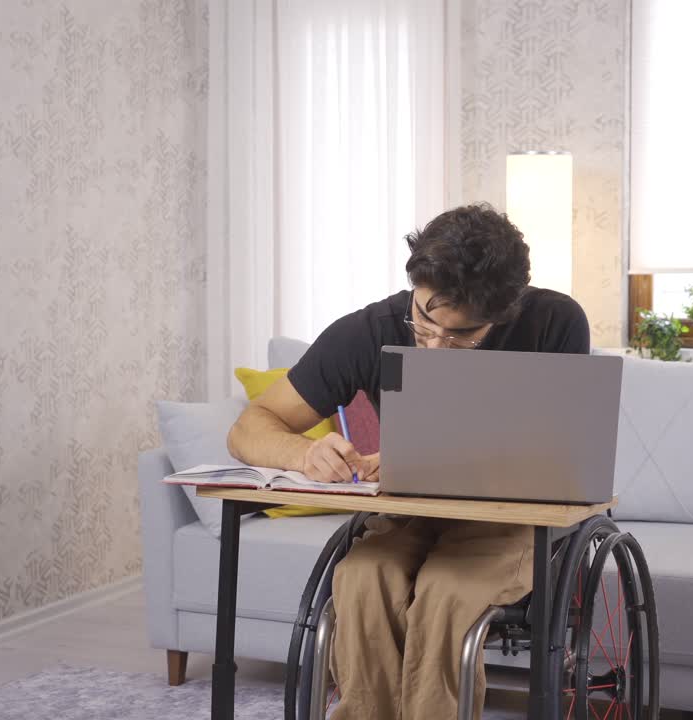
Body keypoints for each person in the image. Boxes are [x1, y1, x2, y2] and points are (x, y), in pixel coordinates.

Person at [227, 202, 590, 719]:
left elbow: (564, 452)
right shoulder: (370, 329)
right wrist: (304, 452)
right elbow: (248, 427)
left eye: (460, 335)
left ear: (502, 313)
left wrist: (438, 458)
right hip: (409, 510)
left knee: (447, 591)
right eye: (424, 322)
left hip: (510, 519)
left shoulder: (554, 323)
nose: (436, 347)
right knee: (360, 579)